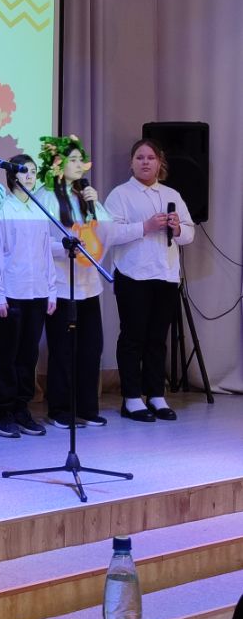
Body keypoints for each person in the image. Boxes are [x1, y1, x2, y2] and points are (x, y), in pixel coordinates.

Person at [35, 134, 143, 429]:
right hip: (60, 285)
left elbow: (109, 234)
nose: (79, 165)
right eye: (72, 160)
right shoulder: (46, 197)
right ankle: (59, 409)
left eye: (80, 160)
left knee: (91, 347)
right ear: (57, 164)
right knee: (62, 350)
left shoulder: (85, 195)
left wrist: (96, 205)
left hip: (89, 285)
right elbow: (40, 243)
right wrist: (65, 248)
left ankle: (87, 407)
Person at [104, 138, 194, 422]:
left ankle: (156, 395)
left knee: (157, 339)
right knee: (133, 338)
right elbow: (109, 233)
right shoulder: (120, 194)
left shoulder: (171, 194)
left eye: (151, 158)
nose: (145, 162)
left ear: (159, 163)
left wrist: (177, 228)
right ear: (131, 163)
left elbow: (189, 234)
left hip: (165, 275)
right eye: (140, 157)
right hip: (133, 275)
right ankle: (131, 399)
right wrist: (146, 226)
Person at [0, 154, 56, 437]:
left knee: (28, 355)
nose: (29, 176)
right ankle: (4, 412)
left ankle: (22, 409)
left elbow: (46, 253)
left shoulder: (39, 210)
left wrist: (51, 290)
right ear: (12, 175)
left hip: (37, 293)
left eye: (34, 172)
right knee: (8, 356)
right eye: (24, 171)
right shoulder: (1, 208)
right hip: (11, 294)